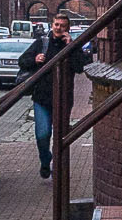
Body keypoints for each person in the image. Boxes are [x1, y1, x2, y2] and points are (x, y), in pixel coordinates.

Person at [18, 12, 85, 179]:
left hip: (63, 98)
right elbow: (22, 60)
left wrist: (71, 46)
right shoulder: (42, 43)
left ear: (67, 28)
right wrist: (35, 59)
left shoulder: (72, 46)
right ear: (52, 25)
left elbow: (79, 67)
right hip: (42, 98)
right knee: (42, 134)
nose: (59, 28)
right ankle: (45, 159)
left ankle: (59, 167)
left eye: (62, 26)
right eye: (56, 24)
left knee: (60, 135)